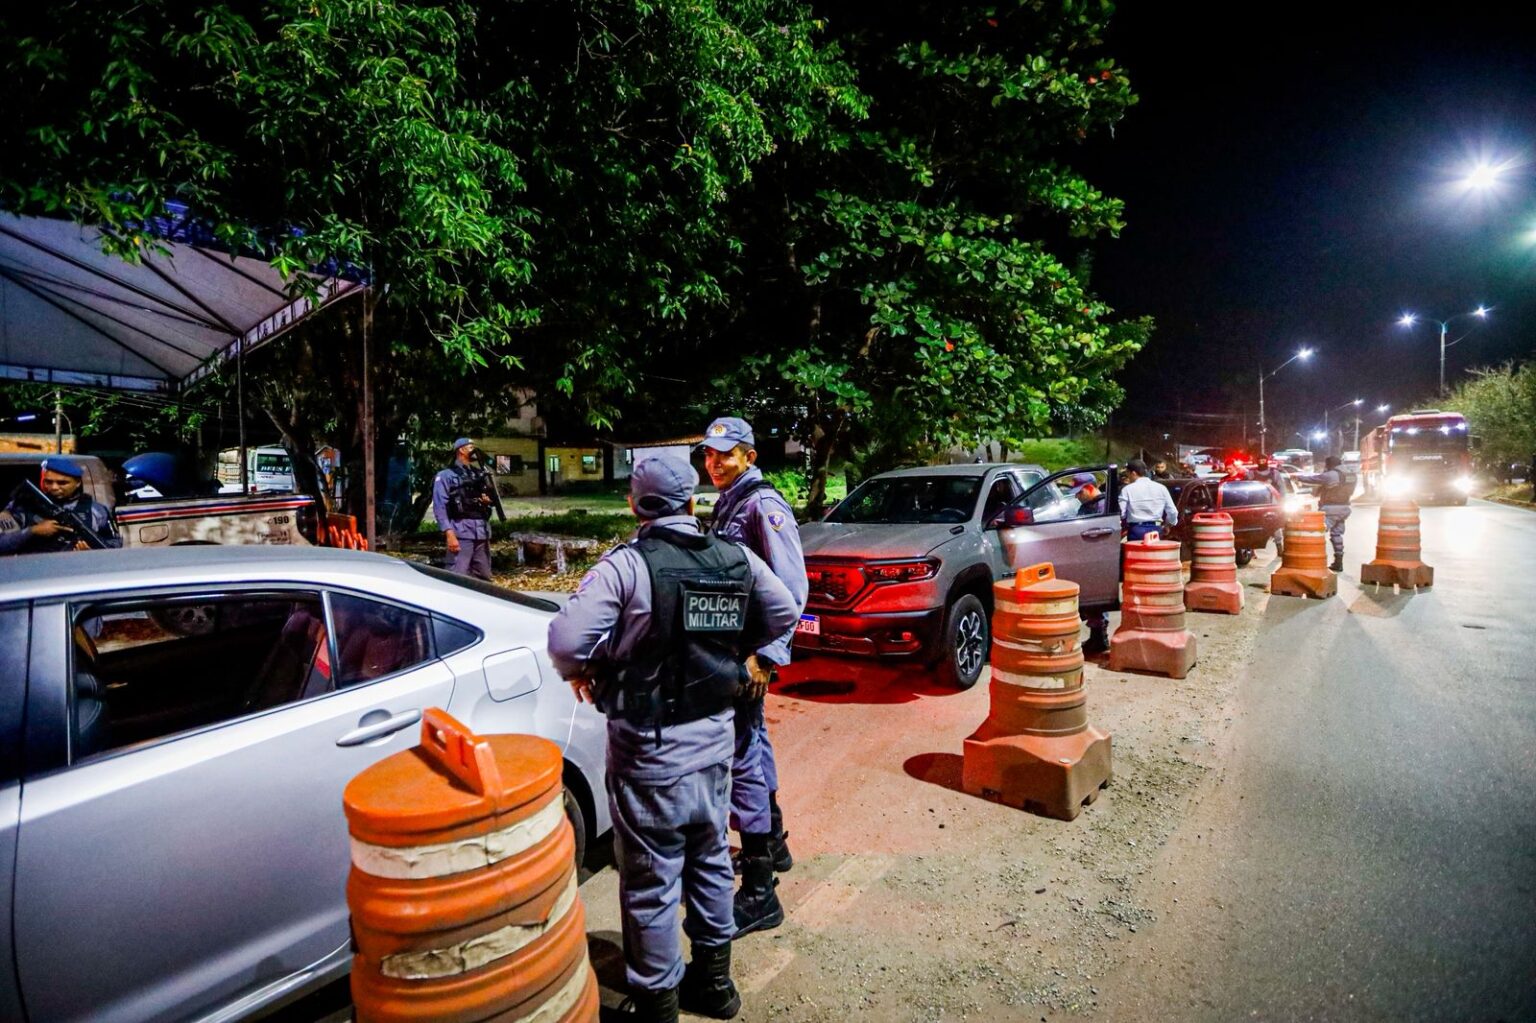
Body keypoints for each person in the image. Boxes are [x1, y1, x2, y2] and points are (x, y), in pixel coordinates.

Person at [547, 456, 799, 1023]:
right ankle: (715, 985)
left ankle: (658, 1005)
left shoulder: (627, 566)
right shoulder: (735, 558)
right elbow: (784, 609)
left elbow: (565, 641)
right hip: (714, 745)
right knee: (710, 860)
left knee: (651, 878)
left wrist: (585, 669)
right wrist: (748, 655)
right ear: (691, 501)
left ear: (635, 505)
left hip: (650, 752)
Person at [698, 416, 808, 938]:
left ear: (749, 456)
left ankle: (761, 893)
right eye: (709, 454)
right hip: (736, 650)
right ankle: (775, 844)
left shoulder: (763, 506)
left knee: (742, 754)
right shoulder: (731, 502)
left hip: (748, 657)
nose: (715, 463)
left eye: (725, 454)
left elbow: (793, 588)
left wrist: (767, 655)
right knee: (755, 744)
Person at [0, 457, 120, 555]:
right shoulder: (22, 507)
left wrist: (91, 553)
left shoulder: (96, 511)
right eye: (49, 481)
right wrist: (33, 531)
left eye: (62, 483)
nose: (54, 487)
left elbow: (114, 546)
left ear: (78, 483)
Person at [432, 437, 493, 580]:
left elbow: (489, 502)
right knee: (457, 576)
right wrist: (449, 534)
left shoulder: (479, 474)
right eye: (471, 448)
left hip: (481, 532)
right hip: (461, 532)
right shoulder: (446, 476)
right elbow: (440, 506)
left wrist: (487, 501)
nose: (474, 451)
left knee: (484, 576)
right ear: (461, 450)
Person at [1296, 455, 1356, 572]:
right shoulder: (1350, 474)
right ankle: (1338, 562)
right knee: (1337, 534)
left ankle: (1311, 560)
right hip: (1344, 507)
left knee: (1316, 533)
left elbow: (1313, 479)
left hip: (1330, 508)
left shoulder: (1331, 474)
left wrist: (1298, 477)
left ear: (1330, 464)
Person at [1119, 459, 1178, 541]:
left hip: (1135, 530)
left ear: (1133, 473)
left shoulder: (1127, 490)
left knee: (1135, 549)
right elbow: (1173, 511)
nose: (1128, 477)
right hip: (1156, 531)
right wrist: (1168, 525)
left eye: (1127, 473)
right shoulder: (1161, 488)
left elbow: (1121, 512)